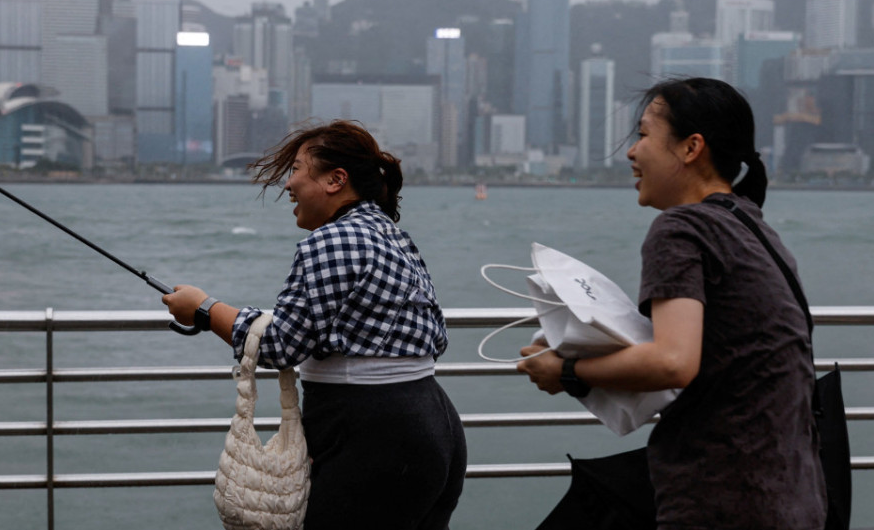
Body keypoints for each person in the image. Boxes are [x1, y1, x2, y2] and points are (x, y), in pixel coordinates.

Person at [517, 78, 827, 529]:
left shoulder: (682, 228)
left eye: (643, 135)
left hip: (724, 496)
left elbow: (673, 363)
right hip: (796, 492)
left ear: (690, 148)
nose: (631, 152)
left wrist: (566, 372)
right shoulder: (756, 229)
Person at [162, 120, 466, 530]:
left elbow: (279, 346)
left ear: (336, 180)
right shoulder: (390, 234)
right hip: (433, 423)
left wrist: (203, 308)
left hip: (376, 433)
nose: (289, 185)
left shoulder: (332, 240)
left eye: (298, 169)